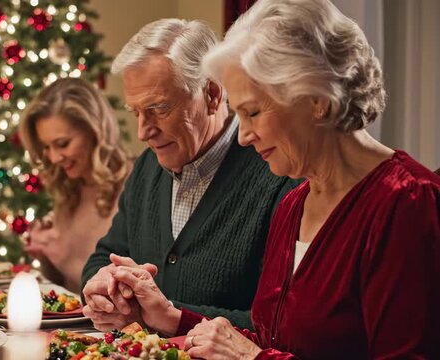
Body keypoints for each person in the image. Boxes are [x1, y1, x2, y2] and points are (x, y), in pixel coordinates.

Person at [109, 0, 440, 358]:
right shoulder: (295, 204)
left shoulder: (407, 201)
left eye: (252, 112)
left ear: (316, 99)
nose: (242, 136)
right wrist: (174, 317)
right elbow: (274, 339)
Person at [81, 18, 300, 333]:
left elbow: (280, 324)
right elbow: (105, 255)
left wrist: (170, 316)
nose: (143, 131)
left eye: (159, 109)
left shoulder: (277, 174)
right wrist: (101, 286)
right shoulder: (147, 166)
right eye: (136, 112)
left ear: (211, 94)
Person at [19, 78, 131, 293]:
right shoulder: (69, 187)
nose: (53, 158)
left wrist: (64, 258)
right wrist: (45, 255)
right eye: (46, 147)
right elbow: (65, 289)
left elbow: (123, 291)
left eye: (62, 144)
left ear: (95, 131)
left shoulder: (134, 185)